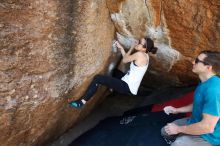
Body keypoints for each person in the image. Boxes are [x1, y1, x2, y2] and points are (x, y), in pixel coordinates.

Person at [69, 37, 158, 109]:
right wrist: (121, 48)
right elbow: (127, 59)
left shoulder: (139, 55)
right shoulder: (146, 55)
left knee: (98, 78)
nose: (137, 42)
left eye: (139, 43)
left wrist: (131, 47)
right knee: (115, 72)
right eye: (139, 40)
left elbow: (125, 60)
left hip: (126, 86)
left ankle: (82, 102)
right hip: (128, 83)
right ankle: (112, 88)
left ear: (144, 48)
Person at [161, 50, 220, 146]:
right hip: (196, 121)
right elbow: (198, 103)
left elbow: (208, 127)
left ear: (208, 67)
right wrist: (177, 110)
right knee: (165, 131)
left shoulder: (214, 90)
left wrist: (178, 129)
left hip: (211, 136)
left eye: (197, 61)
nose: (193, 62)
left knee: (178, 143)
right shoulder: (204, 81)